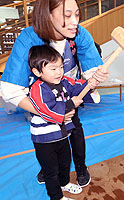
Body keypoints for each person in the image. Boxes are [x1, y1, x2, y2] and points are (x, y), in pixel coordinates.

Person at [0, 0, 109, 187]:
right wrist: (51, 113)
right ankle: (49, 168)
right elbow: (11, 90)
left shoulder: (80, 35)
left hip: (68, 91)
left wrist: (97, 77)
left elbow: (92, 74)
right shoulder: (28, 38)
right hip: (42, 99)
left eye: (77, 14)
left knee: (74, 129)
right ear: (48, 15)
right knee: (45, 136)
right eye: (67, 16)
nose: (75, 21)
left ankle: (81, 167)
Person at [28, 45, 98, 200]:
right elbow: (47, 108)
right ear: (37, 72)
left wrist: (90, 84)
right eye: (53, 69)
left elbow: (77, 86)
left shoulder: (64, 81)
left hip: (62, 134)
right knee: (51, 170)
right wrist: (70, 104)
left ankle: (64, 183)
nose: (59, 72)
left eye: (60, 67)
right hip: (44, 139)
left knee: (65, 162)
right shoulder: (37, 88)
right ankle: (56, 196)